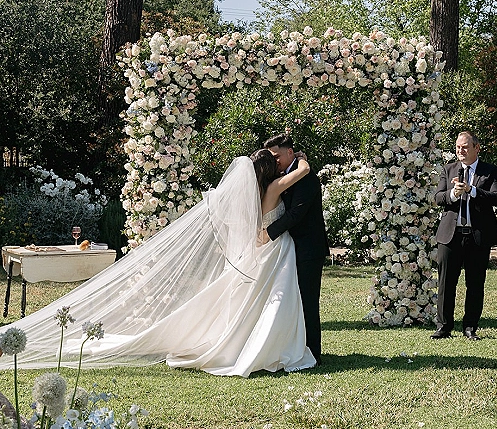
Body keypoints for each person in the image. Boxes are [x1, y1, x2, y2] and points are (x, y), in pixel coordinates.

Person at [0, 155, 317, 376]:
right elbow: (300, 173)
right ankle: (273, 346)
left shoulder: (254, 193)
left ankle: (255, 341)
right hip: (275, 251)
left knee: (258, 300)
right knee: (275, 300)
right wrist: (302, 161)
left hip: (262, 251)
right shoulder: (276, 188)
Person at [262, 134, 329, 364]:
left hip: (309, 248)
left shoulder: (306, 177)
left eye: (277, 156)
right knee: (292, 301)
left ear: (290, 152)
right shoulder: (283, 175)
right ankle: (296, 346)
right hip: (289, 249)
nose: (276, 161)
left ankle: (313, 352)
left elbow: (296, 214)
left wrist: (267, 234)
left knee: (309, 301)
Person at [431, 130, 497, 340]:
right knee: (446, 282)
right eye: (457, 147)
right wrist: (454, 194)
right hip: (450, 235)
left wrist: (472, 190)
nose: (460, 151)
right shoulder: (449, 168)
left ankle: (470, 327)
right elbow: (438, 197)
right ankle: (444, 326)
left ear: (476, 148)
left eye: (464, 147)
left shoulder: (489, 171)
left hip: (477, 235)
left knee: (475, 283)